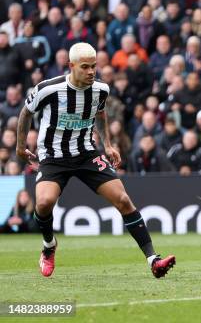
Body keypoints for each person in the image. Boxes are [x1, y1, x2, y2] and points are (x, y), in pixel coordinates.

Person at [15, 42, 175, 278]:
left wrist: (107, 144)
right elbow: (26, 113)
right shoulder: (47, 89)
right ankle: (49, 246)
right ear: (71, 66)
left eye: (94, 66)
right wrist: (20, 147)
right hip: (53, 156)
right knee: (44, 203)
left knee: (122, 199)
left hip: (86, 153)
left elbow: (99, 113)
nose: (91, 72)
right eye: (85, 67)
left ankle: (154, 259)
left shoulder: (101, 89)